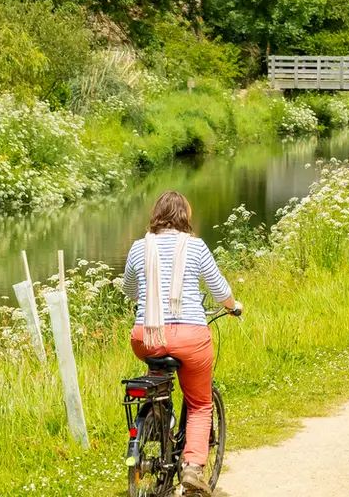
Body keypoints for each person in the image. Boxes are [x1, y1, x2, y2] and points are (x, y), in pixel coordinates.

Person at [122, 191, 242, 497]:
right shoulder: (195, 246)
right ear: (184, 217)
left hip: (146, 337)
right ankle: (192, 468)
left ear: (156, 216)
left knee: (160, 373)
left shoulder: (139, 247)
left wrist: (146, 299)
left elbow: (129, 290)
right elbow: (219, 289)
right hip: (190, 336)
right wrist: (232, 305)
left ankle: (160, 418)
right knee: (201, 404)